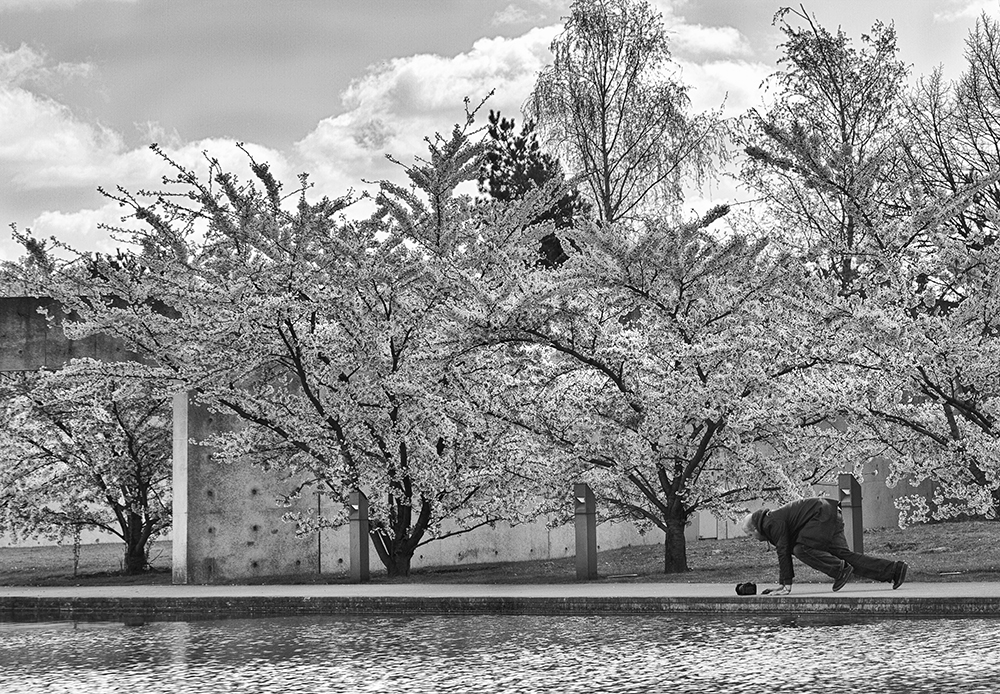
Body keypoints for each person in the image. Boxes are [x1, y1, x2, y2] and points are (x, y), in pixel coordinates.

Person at [740, 497, 908, 595]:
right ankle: (894, 570)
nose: (752, 538)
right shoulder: (770, 521)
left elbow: (783, 551)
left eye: (750, 535)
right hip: (831, 512)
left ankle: (839, 570)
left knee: (801, 549)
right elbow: (782, 551)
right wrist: (782, 584)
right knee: (843, 556)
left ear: (755, 528)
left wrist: (786, 586)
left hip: (821, 514)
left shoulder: (770, 523)